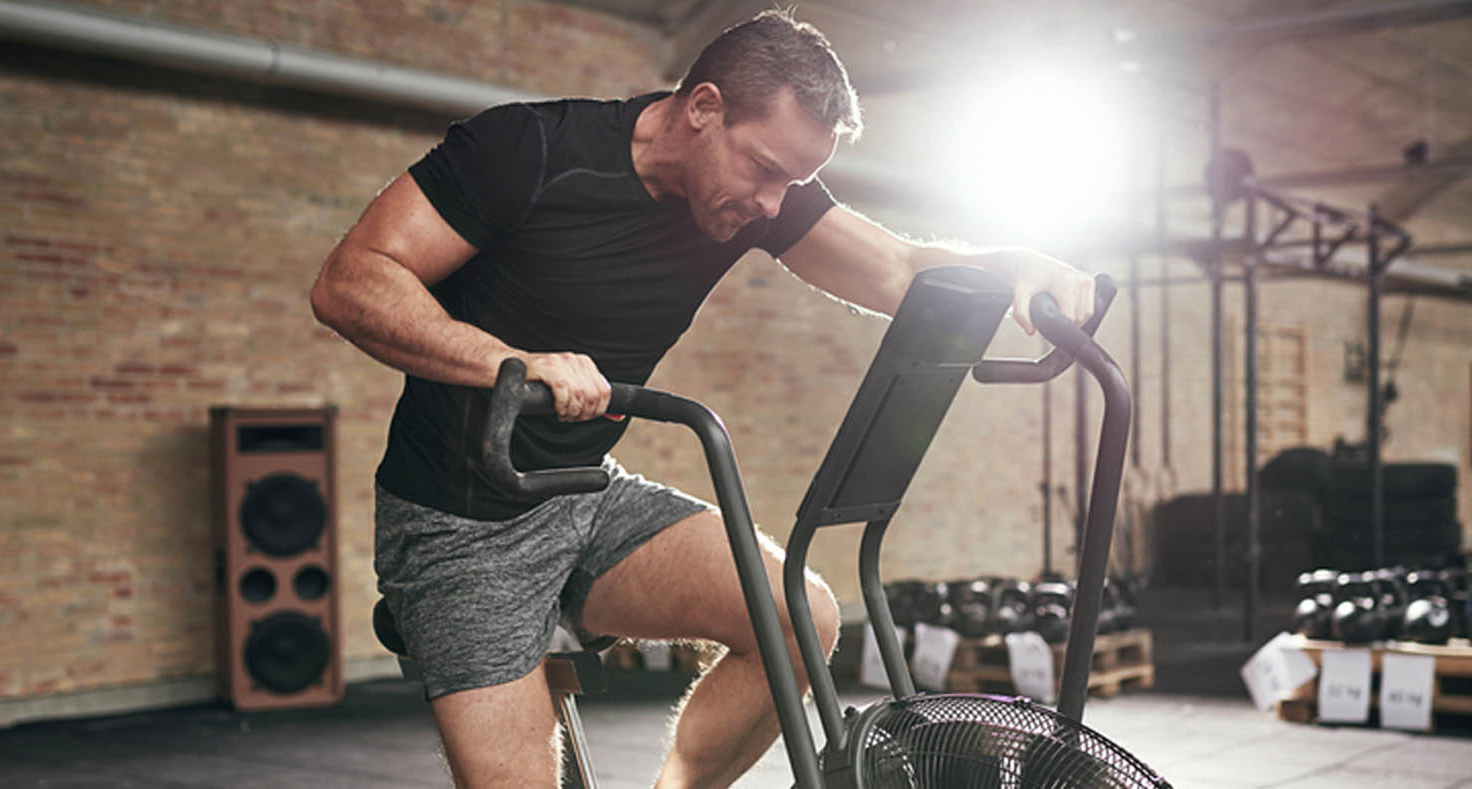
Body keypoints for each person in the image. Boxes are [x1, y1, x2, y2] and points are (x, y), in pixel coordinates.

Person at [308, 9, 1094, 788]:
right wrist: (514, 363)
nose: (774, 202)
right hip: (460, 523)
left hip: (585, 494)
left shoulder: (750, 200)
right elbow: (353, 281)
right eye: (763, 168)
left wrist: (1016, 264)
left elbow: (894, 270)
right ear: (702, 108)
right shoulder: (529, 151)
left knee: (802, 621)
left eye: (792, 180)